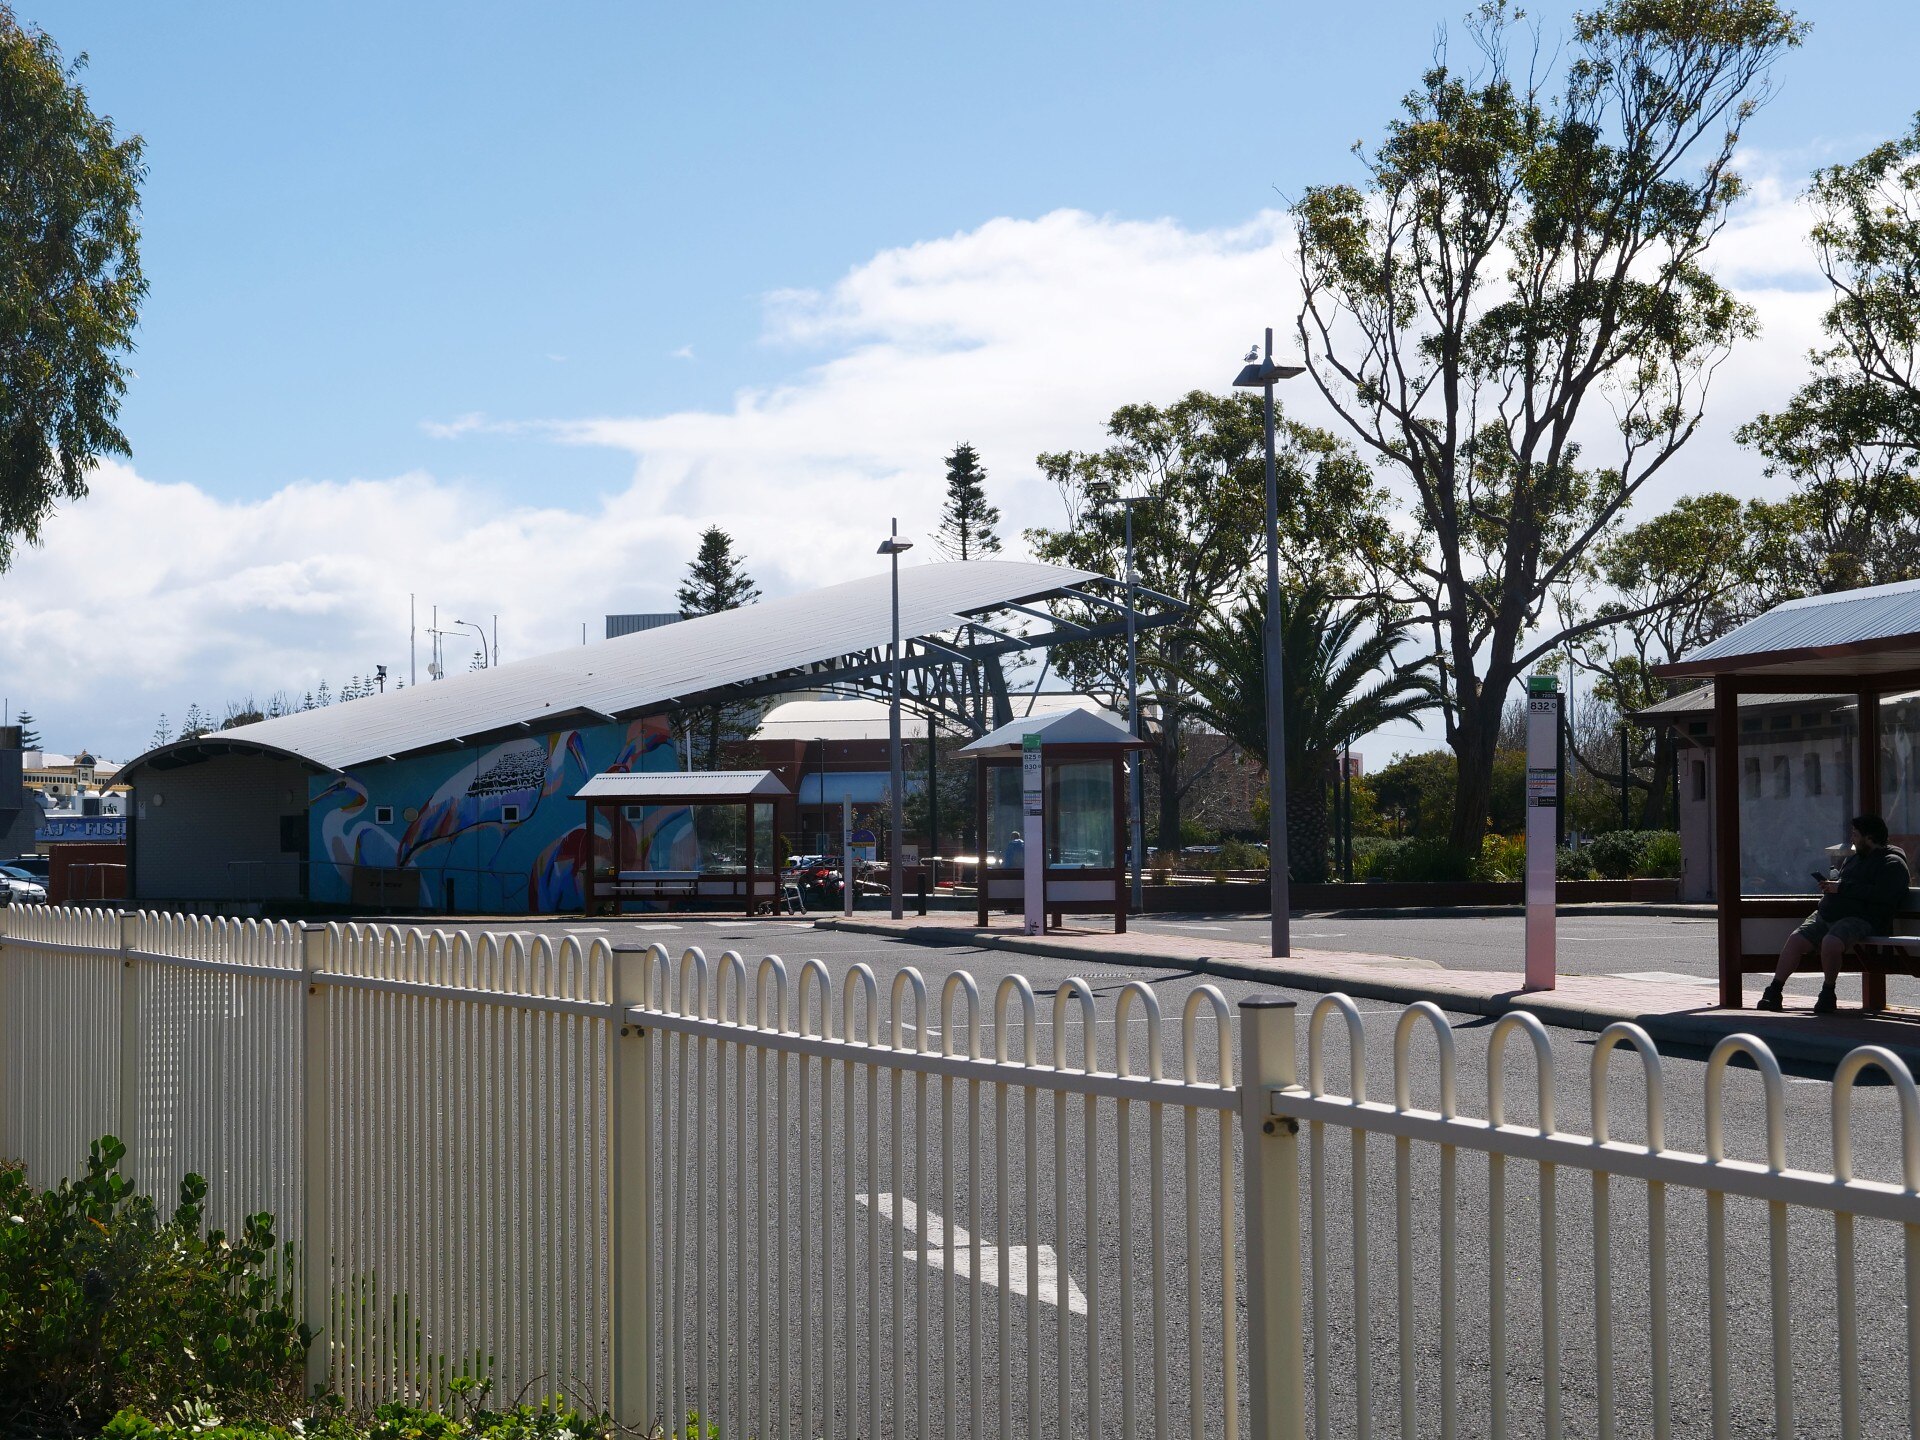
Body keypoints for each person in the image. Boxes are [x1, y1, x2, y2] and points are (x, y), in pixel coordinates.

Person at [1757, 813, 1911, 1014]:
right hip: (1829, 913)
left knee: (1831, 943)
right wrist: (1832, 885)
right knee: (1796, 940)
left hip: (1862, 918)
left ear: (1870, 838)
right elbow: (1845, 884)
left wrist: (1842, 888)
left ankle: (1828, 993)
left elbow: (1883, 895)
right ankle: (1774, 991)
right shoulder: (1855, 859)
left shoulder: (1892, 864)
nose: (1852, 839)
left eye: (1856, 834)